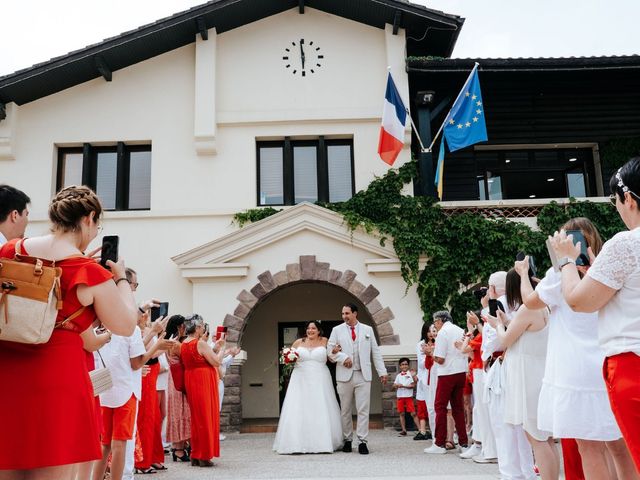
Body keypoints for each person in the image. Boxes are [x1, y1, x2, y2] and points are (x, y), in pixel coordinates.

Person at [0, 185, 138, 478]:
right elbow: (125, 324)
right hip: (58, 377)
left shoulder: (12, 250)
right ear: (89, 218)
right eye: (97, 225)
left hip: (7, 371)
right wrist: (121, 279)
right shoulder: (90, 272)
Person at [519, 218, 638, 479]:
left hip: (573, 371)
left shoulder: (559, 275)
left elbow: (530, 301)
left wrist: (522, 274)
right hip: (609, 363)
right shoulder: (607, 266)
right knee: (622, 446)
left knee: (589, 448)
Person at [552, 157, 640, 473]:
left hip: (632, 365)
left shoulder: (627, 244)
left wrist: (564, 262)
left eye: (617, 201)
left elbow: (579, 301)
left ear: (628, 199)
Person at [486, 269, 559, 480]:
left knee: (536, 438)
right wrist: (505, 322)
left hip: (529, 377)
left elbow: (506, 340)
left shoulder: (528, 309)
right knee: (545, 438)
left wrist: (498, 325)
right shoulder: (544, 307)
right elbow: (522, 331)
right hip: (538, 372)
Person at [93, 314, 173, 480]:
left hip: (105, 391)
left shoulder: (101, 327)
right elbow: (136, 363)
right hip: (126, 390)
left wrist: (151, 335)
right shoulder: (131, 329)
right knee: (119, 445)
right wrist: (156, 344)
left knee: (105, 444)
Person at [273, 321, 342, 454]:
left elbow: (332, 359)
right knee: (299, 406)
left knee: (320, 406)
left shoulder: (325, 341)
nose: (311, 330)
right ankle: (295, 443)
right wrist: (287, 358)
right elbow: (283, 360)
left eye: (313, 328)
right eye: (309, 328)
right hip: (300, 378)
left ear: (318, 330)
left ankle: (323, 443)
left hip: (320, 377)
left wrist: (334, 352)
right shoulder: (298, 342)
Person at [327, 303, 388, 455]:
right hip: (344, 375)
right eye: (343, 314)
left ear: (355, 313)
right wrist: (343, 358)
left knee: (363, 410)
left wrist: (382, 372)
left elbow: (375, 352)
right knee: (345, 410)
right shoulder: (336, 330)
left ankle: (362, 441)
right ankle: (347, 440)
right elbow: (330, 351)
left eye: (347, 313)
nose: (344, 316)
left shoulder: (367, 330)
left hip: (363, 374)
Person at [181, 315, 224, 467]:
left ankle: (196, 454)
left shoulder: (183, 344)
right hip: (203, 381)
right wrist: (222, 349)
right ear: (198, 328)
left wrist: (215, 348)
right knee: (206, 417)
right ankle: (204, 456)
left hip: (191, 380)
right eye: (201, 327)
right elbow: (216, 361)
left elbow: (202, 357)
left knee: (197, 418)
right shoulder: (200, 343)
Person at [424, 311, 469, 454]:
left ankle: (439, 443)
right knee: (458, 408)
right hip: (461, 372)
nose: (435, 326)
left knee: (440, 406)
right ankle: (463, 442)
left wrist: (430, 353)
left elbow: (440, 359)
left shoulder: (443, 332)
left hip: (447, 373)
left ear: (440, 320)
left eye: (435, 322)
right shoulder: (460, 329)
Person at [164, 315, 191, 462]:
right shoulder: (176, 344)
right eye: (184, 326)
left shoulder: (169, 342)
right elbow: (188, 357)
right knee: (182, 410)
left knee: (178, 412)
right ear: (179, 327)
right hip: (179, 380)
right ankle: (179, 448)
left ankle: (179, 446)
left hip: (173, 379)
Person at [413, 323, 432, 441]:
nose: (431, 333)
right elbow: (421, 363)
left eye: (433, 331)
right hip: (424, 379)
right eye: (428, 331)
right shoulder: (421, 345)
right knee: (422, 404)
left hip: (435, 377)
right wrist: (428, 354)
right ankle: (423, 430)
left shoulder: (438, 342)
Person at [392, 358, 419, 437]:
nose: (404, 366)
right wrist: (395, 385)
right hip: (400, 397)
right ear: (400, 366)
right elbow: (393, 386)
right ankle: (404, 430)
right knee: (401, 413)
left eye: (406, 364)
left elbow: (413, 385)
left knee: (413, 413)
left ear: (408, 365)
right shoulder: (398, 375)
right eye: (402, 364)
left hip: (408, 397)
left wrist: (403, 386)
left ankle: (420, 429)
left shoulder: (411, 374)